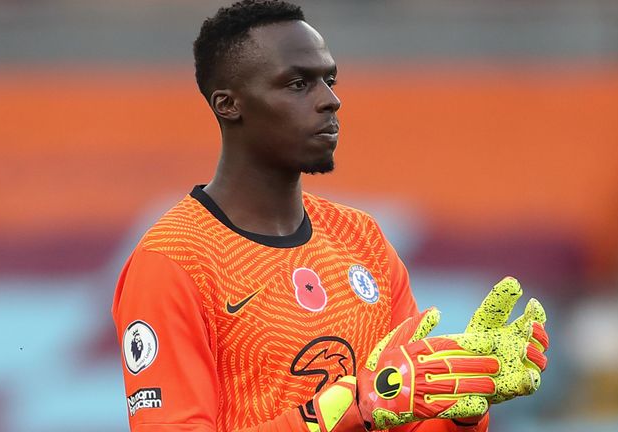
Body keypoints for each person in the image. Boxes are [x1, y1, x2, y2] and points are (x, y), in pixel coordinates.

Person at [111, 1, 549, 431]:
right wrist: (344, 407)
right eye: (298, 84)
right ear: (229, 104)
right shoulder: (173, 260)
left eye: (330, 80)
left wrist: (461, 407)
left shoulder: (362, 238)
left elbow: (402, 418)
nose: (331, 101)